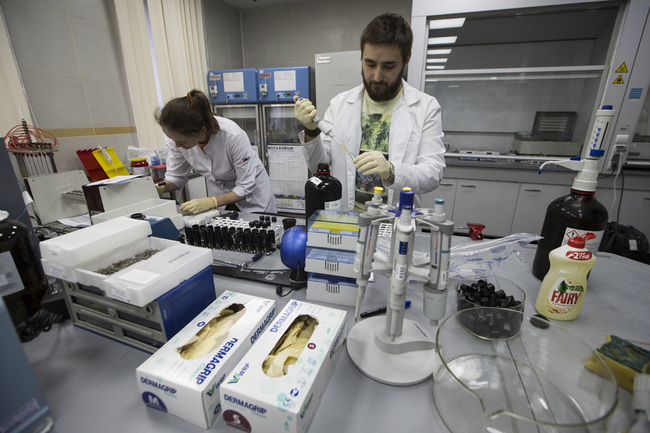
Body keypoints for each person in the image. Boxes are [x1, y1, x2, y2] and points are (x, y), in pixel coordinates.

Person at [294, 12, 446, 211]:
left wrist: (391, 171)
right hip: (348, 221)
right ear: (362, 56)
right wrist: (311, 131)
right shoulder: (341, 103)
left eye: (389, 66)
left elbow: (433, 173)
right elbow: (318, 166)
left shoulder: (425, 107)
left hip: (394, 224)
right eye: (370, 64)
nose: (376, 76)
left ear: (406, 59)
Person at [154, 89, 276, 214]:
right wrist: (158, 188)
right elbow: (175, 177)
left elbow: (245, 187)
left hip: (253, 200)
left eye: (182, 141)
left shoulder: (232, 136)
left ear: (202, 130)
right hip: (220, 198)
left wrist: (211, 202)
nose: (176, 145)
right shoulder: (177, 138)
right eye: (173, 139)